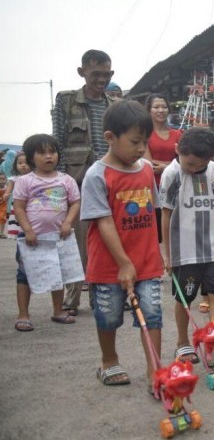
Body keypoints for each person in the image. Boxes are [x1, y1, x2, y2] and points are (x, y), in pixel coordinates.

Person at [81, 100, 163, 390]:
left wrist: (157, 252)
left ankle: (155, 370)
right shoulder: (97, 175)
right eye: (134, 142)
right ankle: (109, 361)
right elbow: (103, 222)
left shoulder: (144, 170)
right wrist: (124, 263)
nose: (141, 149)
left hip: (147, 261)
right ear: (110, 138)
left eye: (145, 142)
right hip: (109, 265)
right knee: (109, 315)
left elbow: (154, 210)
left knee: (152, 313)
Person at [159, 127, 214, 372]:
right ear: (178, 151)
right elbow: (165, 214)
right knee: (184, 298)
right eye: (189, 163)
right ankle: (183, 342)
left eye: (198, 165)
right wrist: (167, 255)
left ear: (210, 159)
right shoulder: (172, 174)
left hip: (213, 249)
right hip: (185, 252)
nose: (192, 169)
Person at [52, 49, 117, 314]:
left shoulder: (114, 105)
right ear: (82, 72)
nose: (101, 79)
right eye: (95, 74)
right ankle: (72, 300)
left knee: (107, 241)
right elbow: (57, 140)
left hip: (108, 180)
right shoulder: (66, 101)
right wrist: (60, 181)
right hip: (76, 182)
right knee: (77, 245)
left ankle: (102, 298)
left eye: (106, 74)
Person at [12, 134, 82, 331]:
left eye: (52, 152)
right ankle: (23, 314)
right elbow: (18, 207)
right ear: (31, 157)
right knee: (24, 275)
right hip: (31, 238)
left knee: (57, 273)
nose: (49, 156)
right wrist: (27, 230)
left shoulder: (66, 180)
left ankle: (58, 310)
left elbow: (75, 202)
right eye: (42, 153)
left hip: (59, 237)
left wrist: (68, 222)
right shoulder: (25, 181)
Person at [144, 93, 182, 243]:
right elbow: (148, 164)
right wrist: (172, 164)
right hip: (155, 187)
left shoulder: (177, 134)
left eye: (164, 107)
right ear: (149, 110)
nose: (160, 110)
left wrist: (164, 166)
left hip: (177, 185)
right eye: (156, 107)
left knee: (177, 226)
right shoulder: (145, 135)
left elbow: (185, 161)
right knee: (159, 229)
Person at [5, 152, 31, 238]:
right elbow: (9, 189)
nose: (23, 165)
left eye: (26, 163)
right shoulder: (14, 178)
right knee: (18, 219)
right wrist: (6, 194)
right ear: (15, 165)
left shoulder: (33, 177)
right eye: (20, 163)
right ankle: (18, 234)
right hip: (17, 204)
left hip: (30, 203)